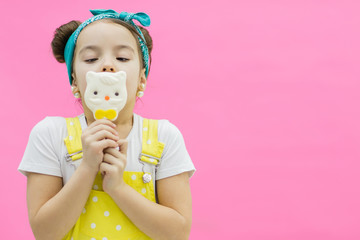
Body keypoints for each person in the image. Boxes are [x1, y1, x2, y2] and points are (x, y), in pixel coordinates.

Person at [18, 9, 195, 240]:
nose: (107, 65)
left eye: (122, 58)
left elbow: (177, 234)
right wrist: (87, 167)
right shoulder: (50, 134)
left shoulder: (164, 136)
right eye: (91, 59)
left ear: (142, 78)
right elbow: (44, 233)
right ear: (74, 80)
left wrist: (118, 188)